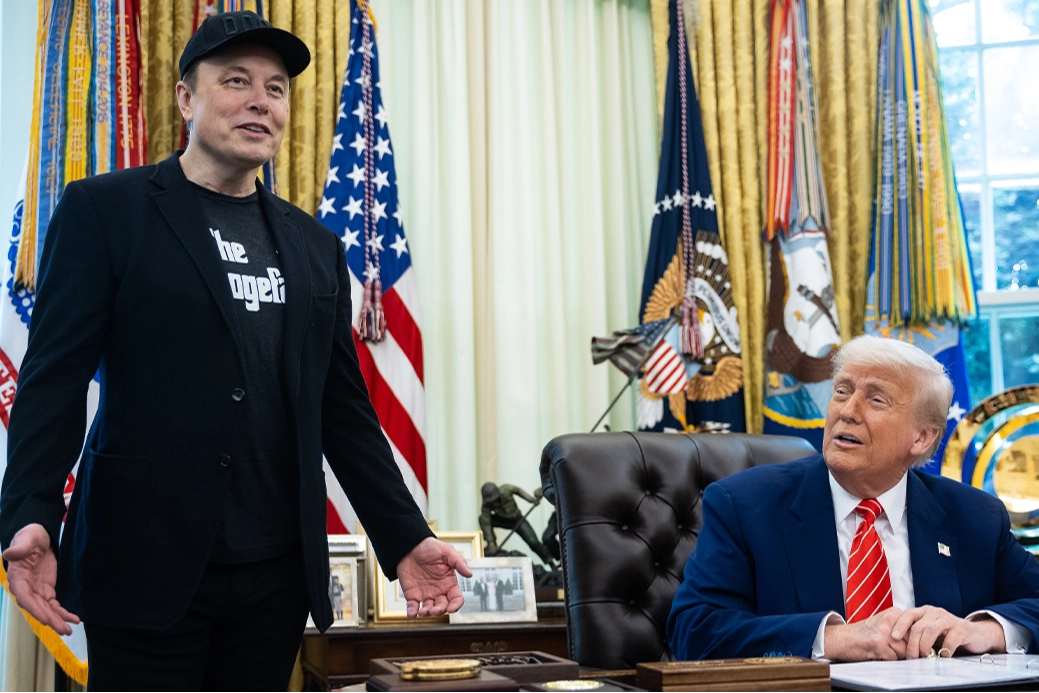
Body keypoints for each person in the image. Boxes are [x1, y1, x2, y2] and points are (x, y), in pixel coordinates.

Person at [0, 10, 470, 691]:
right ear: (186, 99)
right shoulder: (107, 211)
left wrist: (404, 535)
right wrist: (31, 510)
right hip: (143, 564)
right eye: (236, 81)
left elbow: (342, 410)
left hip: (273, 580)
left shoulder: (315, 246)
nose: (260, 100)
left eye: (276, 88)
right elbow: (52, 380)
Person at [668, 335, 1039, 663]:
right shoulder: (744, 506)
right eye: (842, 391)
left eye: (876, 399)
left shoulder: (975, 517)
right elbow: (695, 631)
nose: (846, 411)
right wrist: (835, 639)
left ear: (922, 437)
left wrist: (983, 631)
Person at [479, 482, 555, 564]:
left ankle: (551, 563)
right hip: (503, 521)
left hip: (517, 519)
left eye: (494, 499)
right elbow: (486, 522)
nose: (493, 502)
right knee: (482, 519)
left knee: (533, 542)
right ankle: (493, 545)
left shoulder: (506, 489)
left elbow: (518, 491)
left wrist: (531, 499)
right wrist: (491, 542)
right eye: (491, 501)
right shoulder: (486, 505)